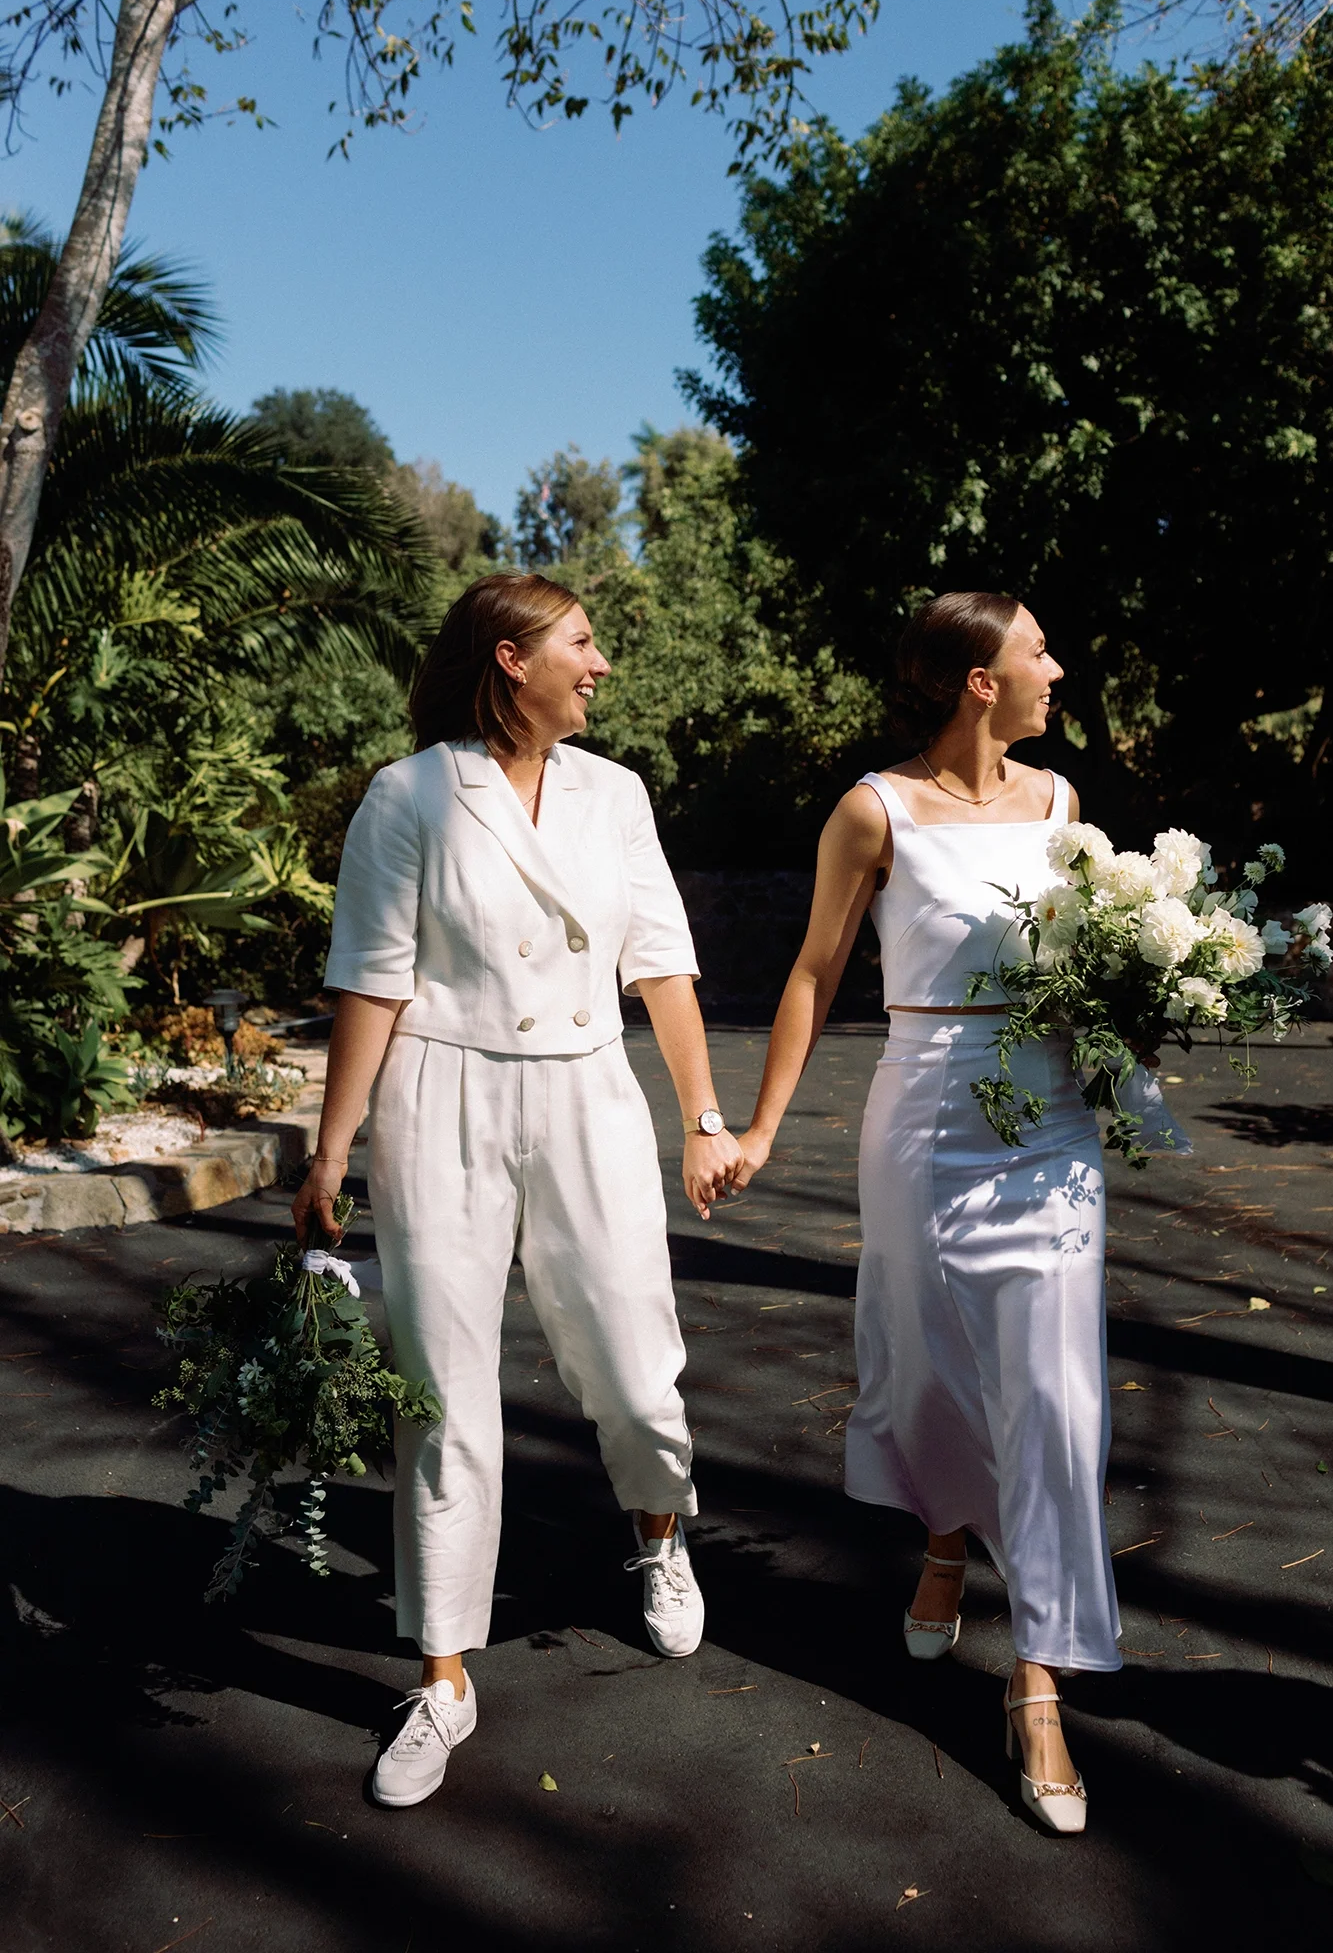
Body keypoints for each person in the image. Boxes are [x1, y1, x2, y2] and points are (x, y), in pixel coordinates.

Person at [292, 571, 742, 1810]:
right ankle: (442, 1671)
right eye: (582, 644)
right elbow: (372, 978)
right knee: (439, 1386)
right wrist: (332, 1147)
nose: (599, 665)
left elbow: (663, 965)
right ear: (510, 658)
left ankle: (657, 1532)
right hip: (442, 1098)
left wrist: (703, 1115)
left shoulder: (617, 795)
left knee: (636, 1362)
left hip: (588, 1096)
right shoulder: (412, 794)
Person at [733, 593, 1117, 1836]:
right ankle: (945, 1539)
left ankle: (1038, 1679)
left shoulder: (1061, 807)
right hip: (923, 1113)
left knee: (1055, 1392)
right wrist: (757, 1128)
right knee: (929, 1360)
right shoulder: (873, 809)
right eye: (1036, 651)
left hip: (1047, 1117)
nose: (1054, 666)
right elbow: (812, 971)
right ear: (973, 679)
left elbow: (1096, 961)